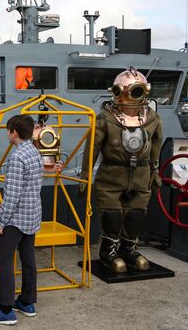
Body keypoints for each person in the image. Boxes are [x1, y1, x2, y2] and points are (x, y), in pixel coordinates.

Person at [79, 68, 162, 273]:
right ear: (115, 92)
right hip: (111, 177)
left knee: (135, 215)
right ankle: (108, 251)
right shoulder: (105, 119)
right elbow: (92, 150)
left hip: (142, 177)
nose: (127, 97)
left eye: (134, 92)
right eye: (122, 91)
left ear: (144, 92)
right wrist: (85, 177)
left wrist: (155, 172)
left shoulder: (152, 119)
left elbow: (155, 147)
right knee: (112, 216)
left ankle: (128, 250)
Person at [0, 114, 43, 326]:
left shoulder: (17, 158)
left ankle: (6, 309)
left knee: (4, 257)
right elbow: (30, 187)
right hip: (32, 215)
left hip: (16, 219)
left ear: (14, 132)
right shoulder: (34, 151)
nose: (8, 134)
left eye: (8, 131)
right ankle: (27, 301)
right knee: (28, 258)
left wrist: (1, 220)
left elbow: (14, 194)